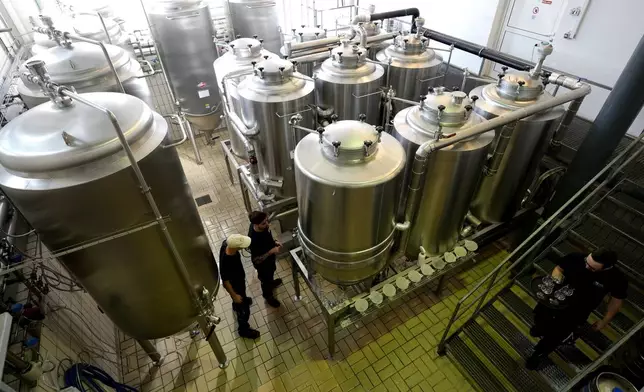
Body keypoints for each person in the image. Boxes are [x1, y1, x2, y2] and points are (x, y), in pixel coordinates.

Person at [526, 248, 627, 369]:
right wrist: (555, 283)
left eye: (592, 268)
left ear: (607, 267)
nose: (586, 266)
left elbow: (616, 301)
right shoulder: (576, 257)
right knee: (540, 317)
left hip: (576, 312)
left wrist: (605, 321)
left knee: (555, 336)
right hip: (555, 300)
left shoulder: (617, 278)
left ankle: (539, 353)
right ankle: (540, 328)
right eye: (586, 262)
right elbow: (559, 269)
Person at [219, 234, 260, 339]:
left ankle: (236, 304)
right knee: (244, 310)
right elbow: (225, 282)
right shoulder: (227, 261)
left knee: (242, 296)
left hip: (239, 281)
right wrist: (234, 296)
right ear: (235, 247)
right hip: (235, 286)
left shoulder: (226, 244)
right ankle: (243, 329)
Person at [248, 211, 282, 308]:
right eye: (264, 223)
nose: (267, 224)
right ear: (256, 224)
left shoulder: (262, 227)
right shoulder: (253, 239)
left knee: (271, 273)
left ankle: (271, 283)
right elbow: (257, 260)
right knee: (265, 280)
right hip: (263, 265)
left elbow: (268, 238)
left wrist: (275, 243)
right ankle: (268, 296)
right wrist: (272, 251)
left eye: (267, 221)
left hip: (270, 260)